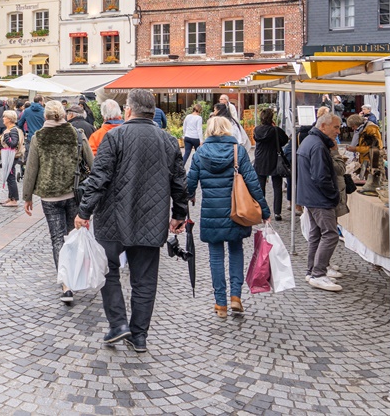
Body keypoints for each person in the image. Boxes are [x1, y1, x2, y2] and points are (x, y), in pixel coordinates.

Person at [76, 89, 188, 353]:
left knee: (108, 270)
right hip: (152, 218)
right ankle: (139, 336)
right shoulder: (169, 141)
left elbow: (99, 178)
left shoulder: (114, 137)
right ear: (152, 112)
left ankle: (118, 324)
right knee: (144, 280)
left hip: (113, 217)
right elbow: (180, 182)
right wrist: (179, 214)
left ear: (129, 110)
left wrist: (83, 212)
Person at [187, 116, 270, 317]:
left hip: (211, 212)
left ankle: (220, 304)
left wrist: (187, 200)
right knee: (236, 251)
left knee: (216, 257)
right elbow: (252, 183)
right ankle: (236, 298)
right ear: (227, 129)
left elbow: (189, 184)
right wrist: (265, 211)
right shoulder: (238, 151)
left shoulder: (200, 153)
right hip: (237, 212)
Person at [22, 101, 93, 304]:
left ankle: (66, 285)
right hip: (73, 193)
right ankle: (76, 275)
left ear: (46, 117)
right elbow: (92, 164)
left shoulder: (39, 137)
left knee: (57, 239)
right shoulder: (77, 134)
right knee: (73, 236)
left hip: (50, 197)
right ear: (65, 115)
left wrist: (27, 196)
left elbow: (31, 168)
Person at [297, 113, 343, 292]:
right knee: (330, 234)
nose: (338, 131)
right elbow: (321, 176)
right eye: (336, 127)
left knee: (317, 234)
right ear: (323, 126)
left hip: (311, 196)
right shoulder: (317, 145)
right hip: (319, 197)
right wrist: (333, 195)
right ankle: (318, 273)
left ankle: (312, 271)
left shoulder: (311, 141)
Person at [253, 108, 289, 221]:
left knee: (260, 187)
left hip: (260, 160)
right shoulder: (276, 130)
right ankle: (277, 212)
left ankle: (261, 211)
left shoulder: (257, 130)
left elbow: (255, 139)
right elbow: (285, 140)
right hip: (274, 159)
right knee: (277, 187)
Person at [0, 110, 25, 207]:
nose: (3, 119)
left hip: (11, 156)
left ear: (9, 119)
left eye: (4, 117)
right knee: (9, 177)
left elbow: (13, 144)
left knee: (11, 177)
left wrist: (6, 135)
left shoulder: (12, 130)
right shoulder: (10, 129)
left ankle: (14, 200)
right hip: (8, 155)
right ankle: (10, 197)